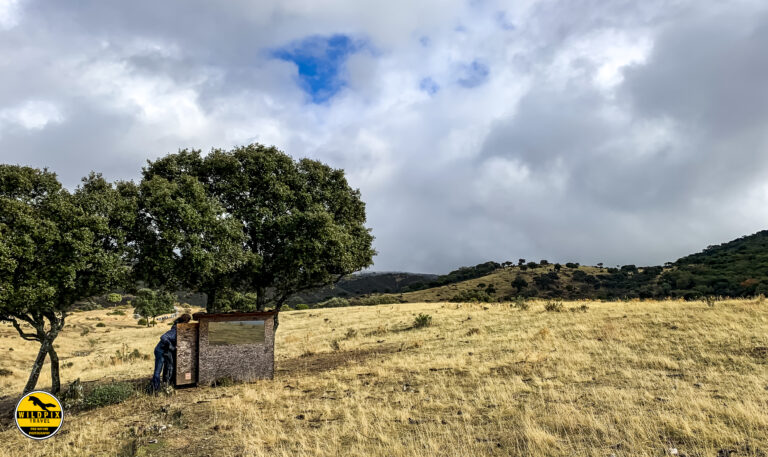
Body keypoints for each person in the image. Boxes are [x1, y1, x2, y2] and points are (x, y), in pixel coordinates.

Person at [151, 313, 191, 391]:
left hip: (165, 350)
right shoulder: (176, 330)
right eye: (187, 323)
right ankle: (155, 388)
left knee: (169, 367)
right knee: (158, 370)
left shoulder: (177, 328)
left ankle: (165, 385)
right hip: (161, 351)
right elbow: (163, 337)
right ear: (185, 322)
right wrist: (171, 346)